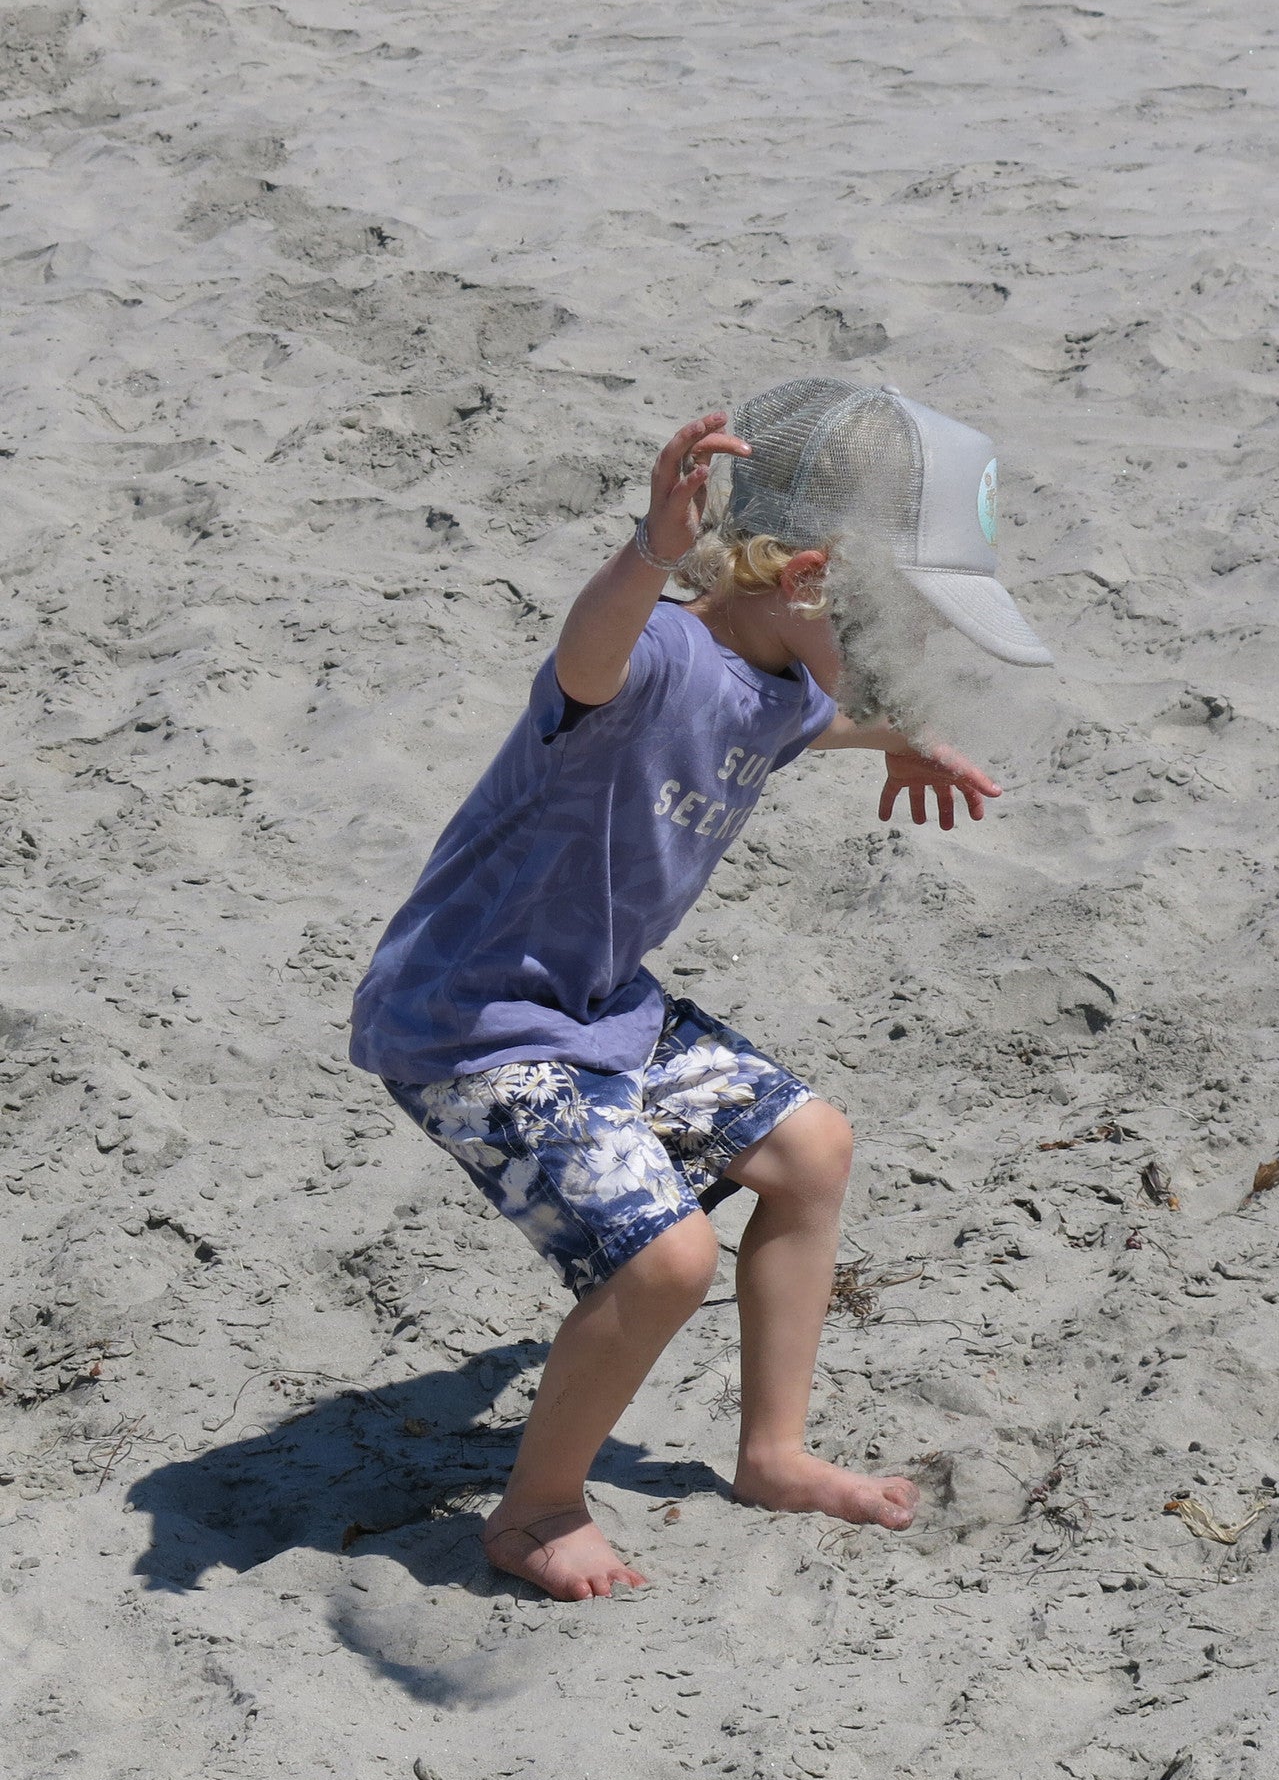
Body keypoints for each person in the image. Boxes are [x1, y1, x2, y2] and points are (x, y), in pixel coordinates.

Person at [349, 379, 1052, 1602]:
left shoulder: (785, 680)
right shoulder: (657, 648)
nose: (909, 658)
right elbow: (590, 654)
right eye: (900, 624)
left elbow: (796, 721)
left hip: (600, 1000)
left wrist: (899, 737)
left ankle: (773, 1453)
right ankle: (536, 1511)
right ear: (808, 578)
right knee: (668, 1260)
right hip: (471, 1019)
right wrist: (650, 550)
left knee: (810, 1147)